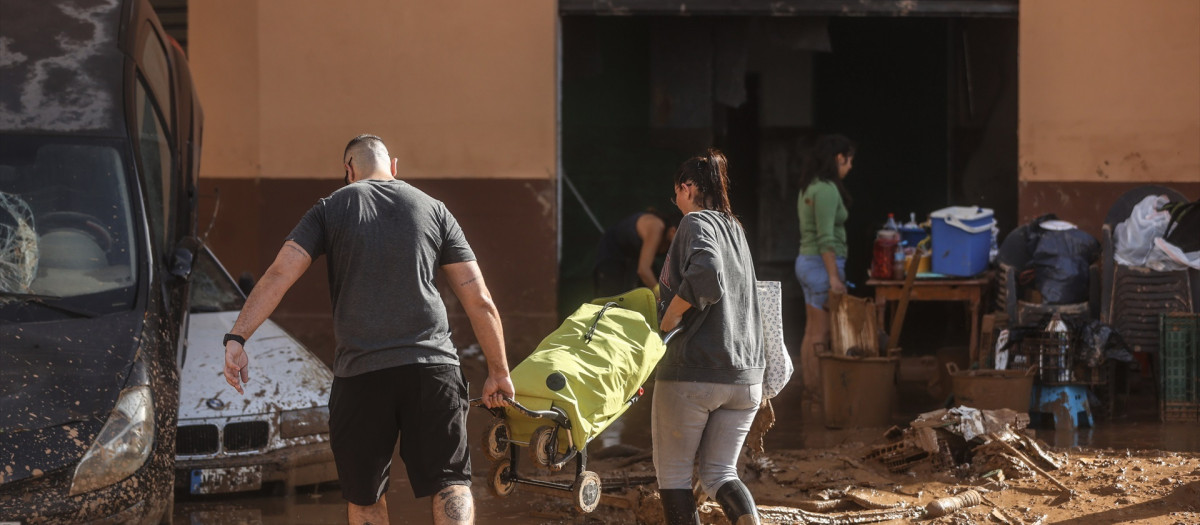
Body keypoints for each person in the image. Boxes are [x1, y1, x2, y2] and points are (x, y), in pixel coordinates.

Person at [221, 135, 514, 525]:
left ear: (348, 170)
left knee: (365, 497)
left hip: (361, 374)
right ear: (394, 165)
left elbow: (279, 274)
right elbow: (479, 299)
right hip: (432, 368)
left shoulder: (329, 209)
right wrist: (499, 372)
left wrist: (238, 337)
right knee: (452, 484)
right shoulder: (435, 209)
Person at [655, 149, 763, 525]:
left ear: (686, 187)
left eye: (676, 194)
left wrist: (669, 317)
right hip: (745, 378)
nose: (677, 203)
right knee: (720, 475)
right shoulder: (736, 229)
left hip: (694, 371)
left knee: (673, 477)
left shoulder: (695, 222)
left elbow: (707, 273)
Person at [794, 134, 856, 401]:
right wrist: (834, 277)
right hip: (821, 265)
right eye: (849, 160)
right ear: (839, 158)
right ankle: (820, 391)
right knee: (823, 331)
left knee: (811, 330)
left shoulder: (809, 186)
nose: (850, 166)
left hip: (806, 262)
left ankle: (811, 387)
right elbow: (826, 238)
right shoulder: (827, 190)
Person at [594, 209, 679, 298]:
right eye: (682, 237)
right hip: (611, 253)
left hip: (632, 257)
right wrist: (660, 293)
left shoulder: (670, 241)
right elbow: (643, 270)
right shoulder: (657, 226)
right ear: (673, 231)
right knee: (610, 296)